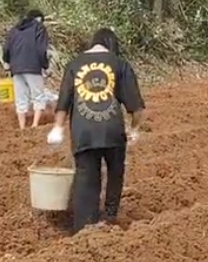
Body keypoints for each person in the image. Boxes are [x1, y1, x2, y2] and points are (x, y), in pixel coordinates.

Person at [48, 27, 145, 233]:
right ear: (112, 45)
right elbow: (136, 107)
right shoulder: (120, 64)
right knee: (115, 172)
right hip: (113, 131)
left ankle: (84, 227)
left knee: (86, 176)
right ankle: (109, 217)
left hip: (83, 132)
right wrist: (135, 129)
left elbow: (63, 101)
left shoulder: (74, 64)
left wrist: (58, 128)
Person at [2, 9, 51, 129]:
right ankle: (34, 125)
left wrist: (8, 62)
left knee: (20, 98)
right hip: (33, 66)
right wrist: (45, 65)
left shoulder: (15, 29)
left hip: (16, 68)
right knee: (38, 96)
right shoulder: (39, 28)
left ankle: (22, 126)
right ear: (39, 19)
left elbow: (6, 48)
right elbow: (41, 49)